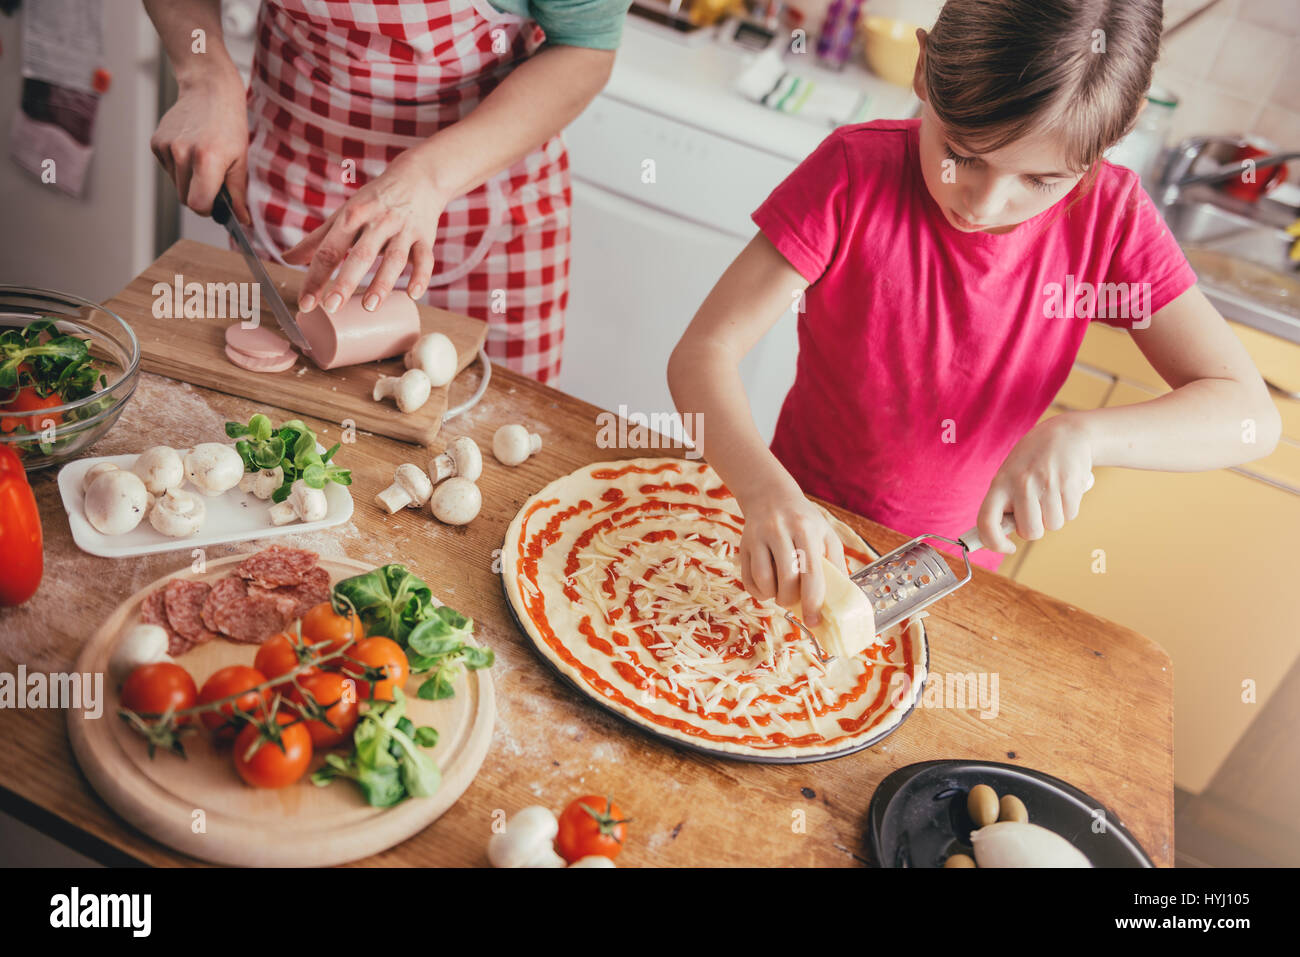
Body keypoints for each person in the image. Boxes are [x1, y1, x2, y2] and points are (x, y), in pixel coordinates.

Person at [668, 0, 1281, 627]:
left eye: (1040, 180)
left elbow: (1249, 418)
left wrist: (1083, 435)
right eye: (963, 154)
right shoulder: (855, 171)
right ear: (924, 69)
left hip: (948, 570)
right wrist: (764, 490)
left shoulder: (1112, 219)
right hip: (793, 534)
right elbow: (702, 355)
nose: (986, 204)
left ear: (1117, 135)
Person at [146, 0, 632, 383]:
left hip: (483, 196)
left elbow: (585, 44)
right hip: (291, 171)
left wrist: (429, 176)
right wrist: (204, 75)